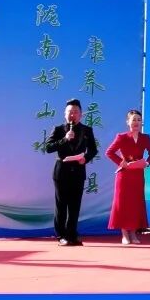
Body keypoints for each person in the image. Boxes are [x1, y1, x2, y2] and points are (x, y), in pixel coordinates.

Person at [45, 98, 98, 246]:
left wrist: (85, 158)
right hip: (61, 172)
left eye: (75, 112)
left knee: (75, 205)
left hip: (78, 171)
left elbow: (93, 150)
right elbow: (48, 148)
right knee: (61, 205)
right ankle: (61, 236)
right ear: (65, 114)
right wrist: (64, 139)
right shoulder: (58, 129)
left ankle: (72, 235)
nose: (72, 115)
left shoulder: (87, 130)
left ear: (81, 114)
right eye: (69, 112)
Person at [106, 109, 150, 245]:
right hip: (124, 175)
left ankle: (133, 233)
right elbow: (109, 152)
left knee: (136, 203)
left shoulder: (145, 138)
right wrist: (121, 162)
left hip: (138, 174)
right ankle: (124, 234)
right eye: (133, 119)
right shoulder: (121, 137)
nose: (136, 122)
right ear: (128, 122)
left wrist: (146, 163)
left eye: (139, 120)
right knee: (123, 204)